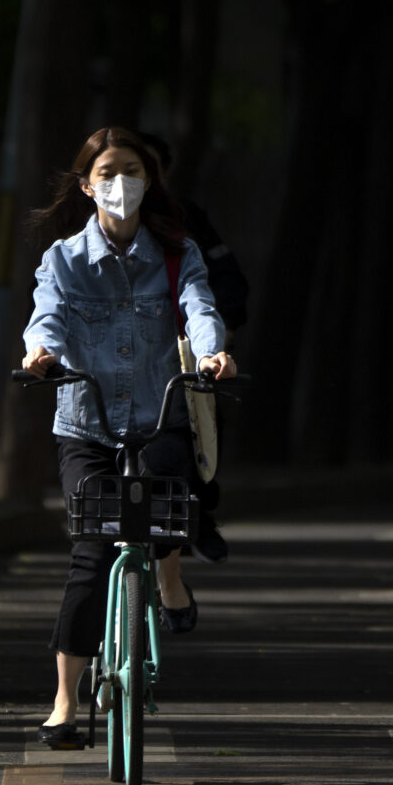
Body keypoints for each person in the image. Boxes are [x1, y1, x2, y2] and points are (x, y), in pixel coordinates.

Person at [20, 126, 237, 750]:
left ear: (149, 179)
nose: (121, 183)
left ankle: (167, 576)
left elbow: (200, 308)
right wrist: (40, 354)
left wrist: (212, 353)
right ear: (87, 186)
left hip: (159, 415)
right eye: (107, 173)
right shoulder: (63, 259)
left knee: (168, 499)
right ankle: (64, 701)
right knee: (91, 554)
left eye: (132, 171)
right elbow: (46, 317)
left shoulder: (177, 253)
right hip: (86, 426)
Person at [137, 130, 246, 561]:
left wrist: (216, 343)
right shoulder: (79, 242)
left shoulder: (186, 228)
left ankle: (196, 518)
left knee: (196, 430)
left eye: (142, 169)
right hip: (113, 369)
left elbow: (220, 288)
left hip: (178, 356)